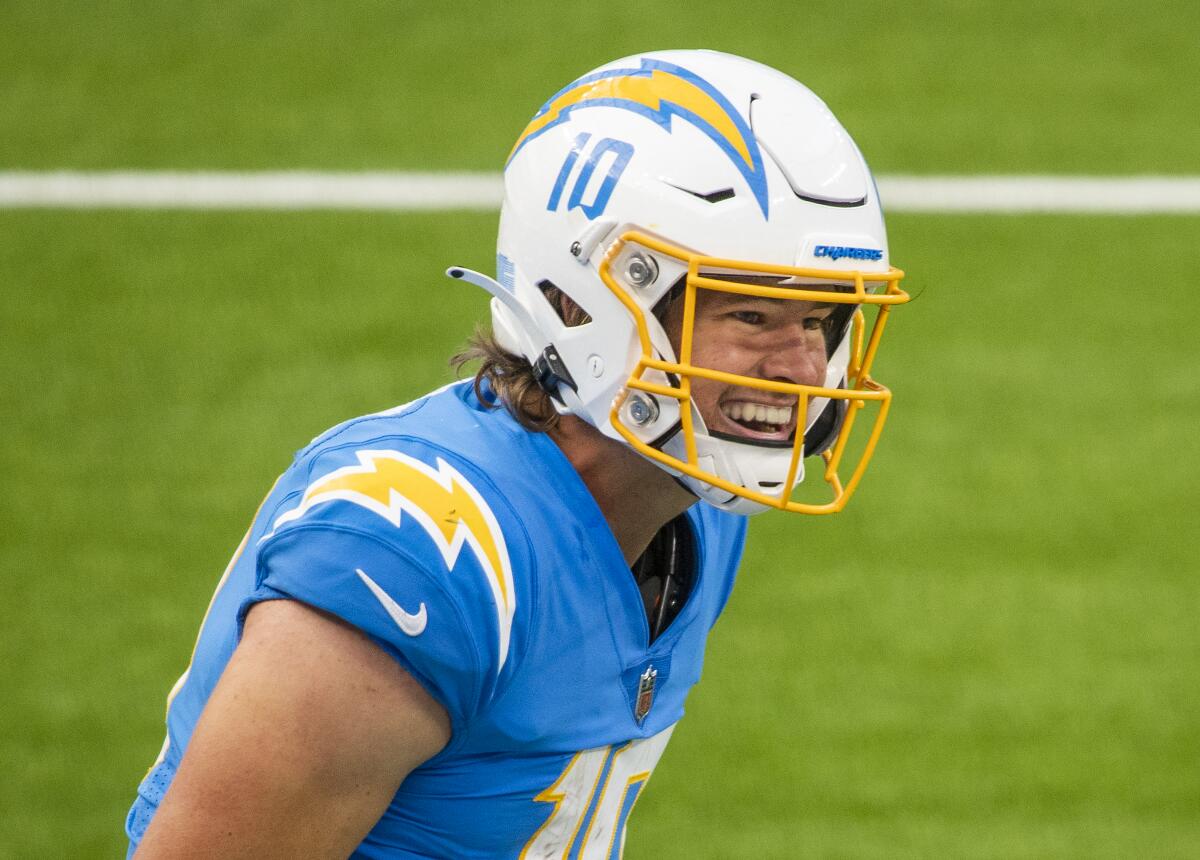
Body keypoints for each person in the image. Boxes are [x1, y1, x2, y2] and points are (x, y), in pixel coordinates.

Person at [126, 49, 910, 858]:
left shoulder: (696, 503)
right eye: (749, 316)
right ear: (581, 299)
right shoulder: (415, 555)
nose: (802, 369)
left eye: (819, 321)